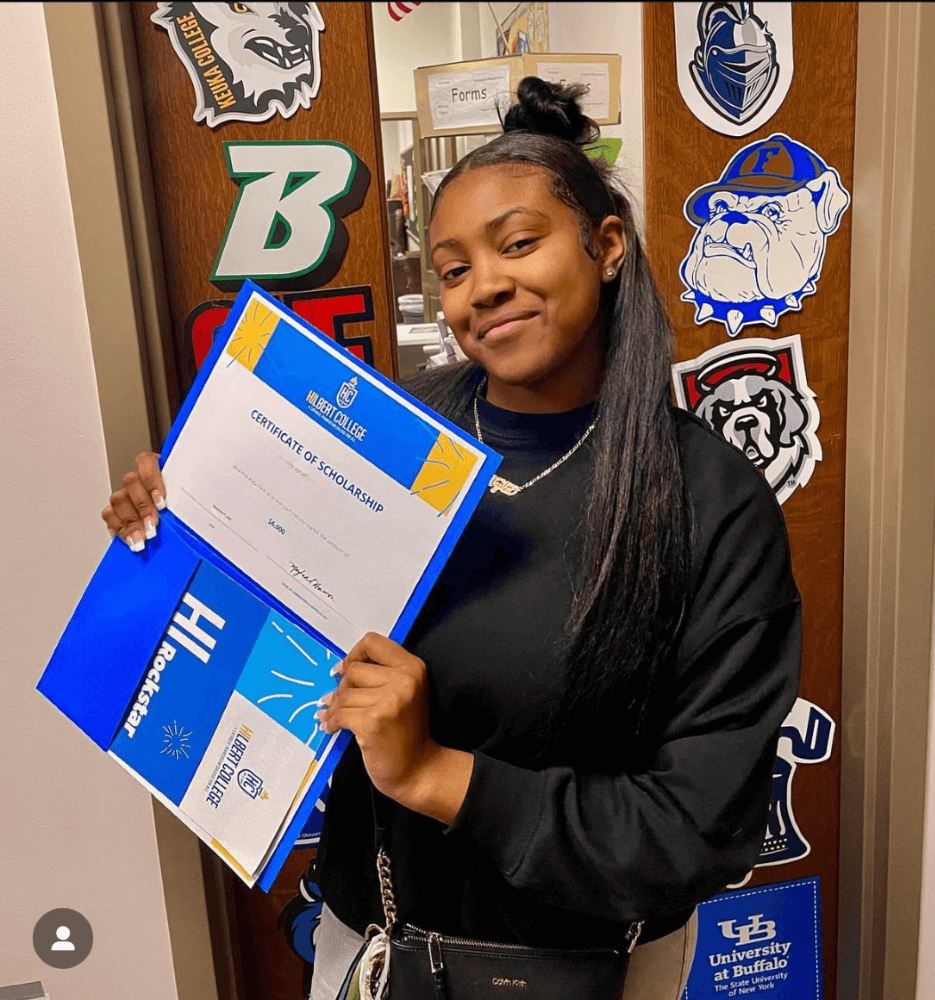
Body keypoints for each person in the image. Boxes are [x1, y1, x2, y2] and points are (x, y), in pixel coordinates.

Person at [102, 78, 800, 1000]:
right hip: (369, 948)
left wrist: (436, 774)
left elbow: (694, 827)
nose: (486, 287)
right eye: (455, 268)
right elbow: (261, 613)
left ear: (607, 247)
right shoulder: (385, 436)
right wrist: (177, 521)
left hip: (577, 971)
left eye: (518, 244)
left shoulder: (711, 501)